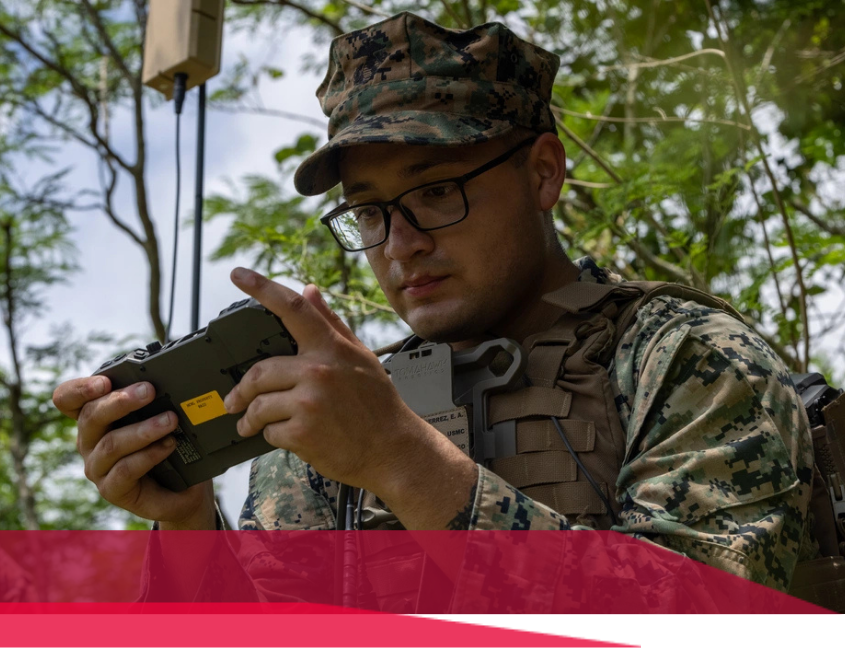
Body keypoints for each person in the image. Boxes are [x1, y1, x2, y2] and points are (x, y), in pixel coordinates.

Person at [52, 12, 816, 607]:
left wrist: (401, 460)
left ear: (543, 172)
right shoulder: (341, 410)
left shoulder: (679, 353)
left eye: (437, 191)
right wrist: (186, 526)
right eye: (369, 211)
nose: (401, 244)